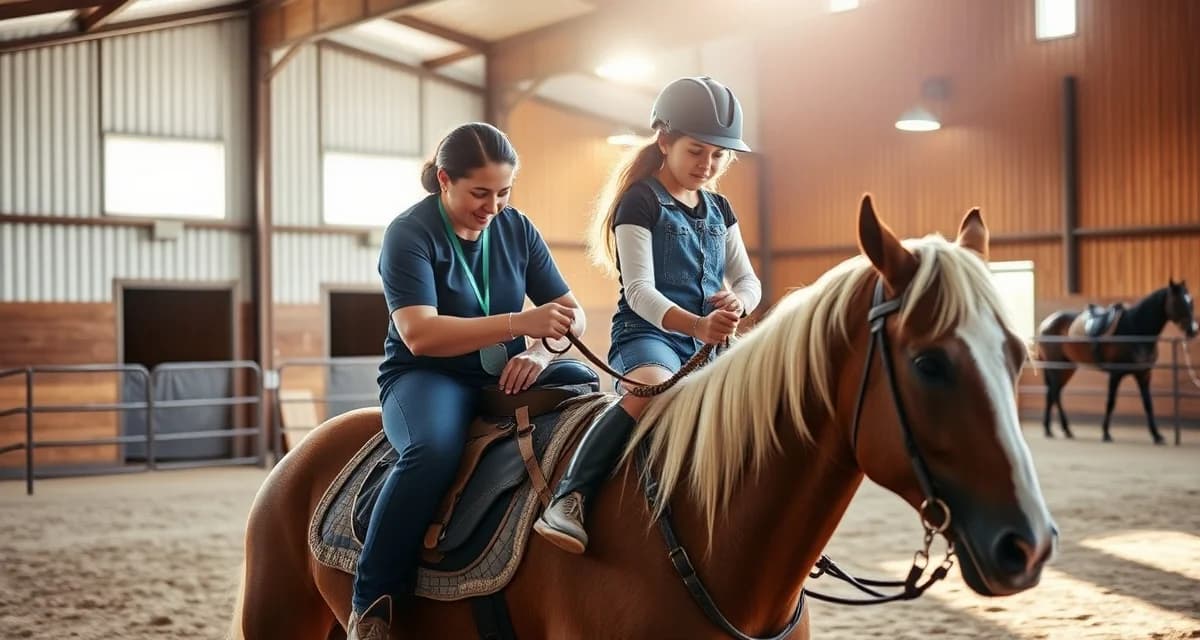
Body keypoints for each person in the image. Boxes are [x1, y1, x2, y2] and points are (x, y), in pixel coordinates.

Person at [348, 122, 587, 639]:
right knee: (432, 450)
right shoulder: (408, 233)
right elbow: (419, 333)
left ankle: (572, 510)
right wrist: (521, 324)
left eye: (504, 192)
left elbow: (572, 313)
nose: (494, 205)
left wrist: (544, 353)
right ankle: (371, 606)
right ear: (443, 180)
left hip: (510, 372)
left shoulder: (517, 227)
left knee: (588, 389)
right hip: (428, 376)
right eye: (480, 192)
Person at [533, 76, 763, 554]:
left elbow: (748, 282)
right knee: (653, 392)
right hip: (650, 334)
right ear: (665, 141)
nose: (708, 164)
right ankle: (570, 496)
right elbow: (639, 291)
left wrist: (739, 303)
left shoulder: (721, 208)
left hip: (711, 339)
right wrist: (697, 324)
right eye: (696, 151)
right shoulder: (639, 201)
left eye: (718, 155)